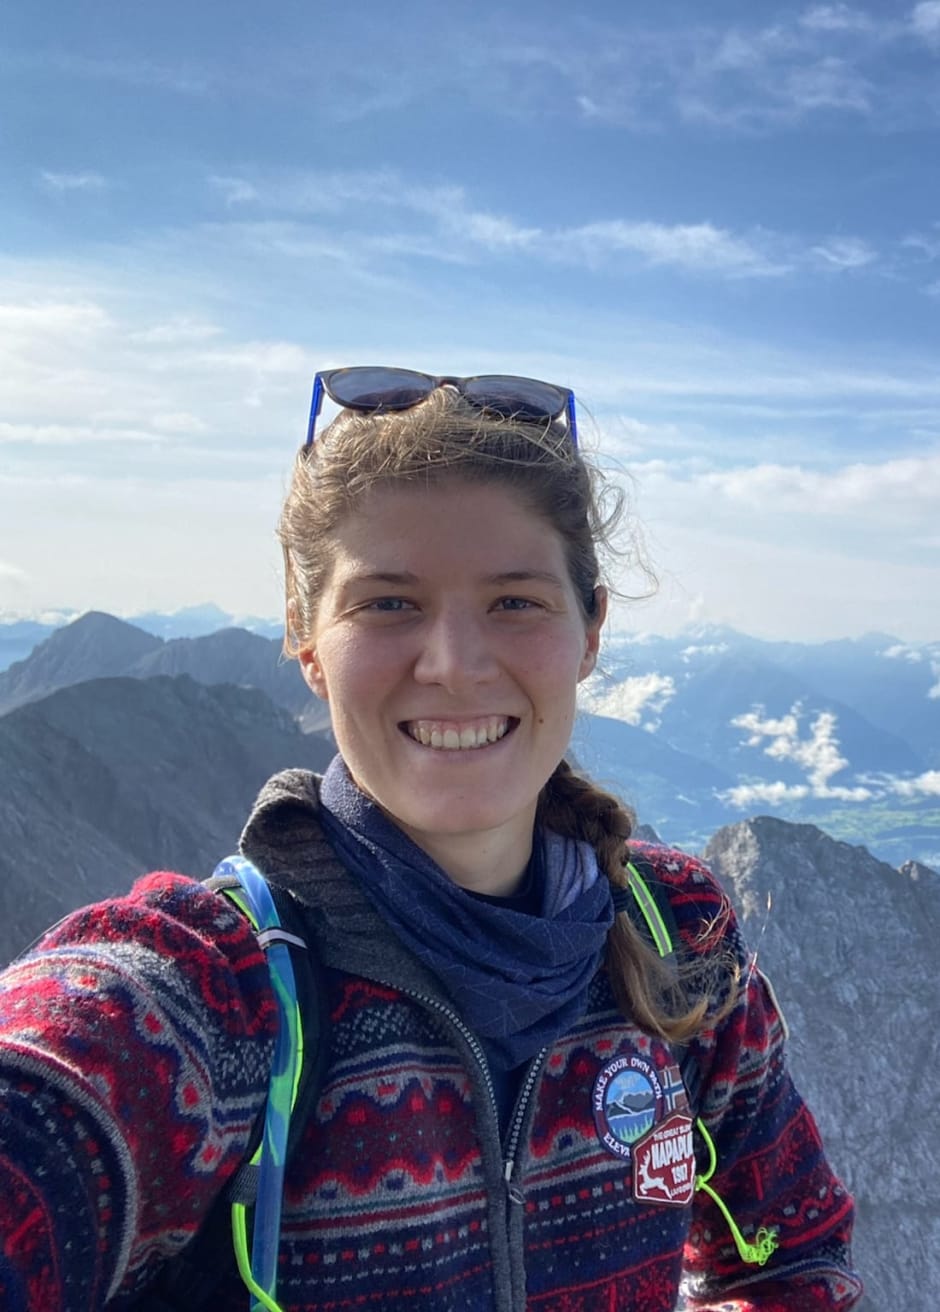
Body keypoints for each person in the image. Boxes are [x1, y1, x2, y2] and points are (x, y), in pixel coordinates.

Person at [0, 367, 862, 1312]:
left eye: (515, 601)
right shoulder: (212, 994)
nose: (454, 665)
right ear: (306, 643)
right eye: (388, 603)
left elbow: (793, 1250)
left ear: (591, 633)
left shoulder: (680, 931)